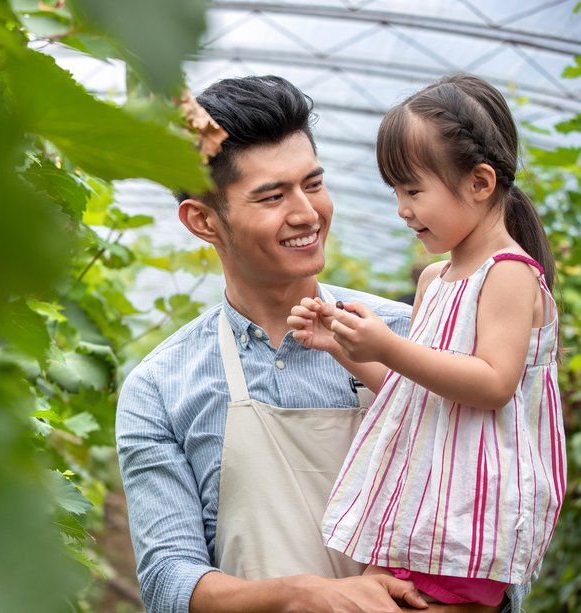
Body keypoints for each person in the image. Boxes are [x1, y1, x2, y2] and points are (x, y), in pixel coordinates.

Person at [116, 74, 528, 613]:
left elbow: (497, 504)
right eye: (272, 196)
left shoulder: (413, 336)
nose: (307, 214)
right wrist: (301, 596)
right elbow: (168, 582)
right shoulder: (159, 387)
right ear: (203, 221)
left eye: (312, 184)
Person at [288, 74, 564, 606]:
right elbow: (413, 389)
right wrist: (342, 346)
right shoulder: (435, 279)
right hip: (421, 505)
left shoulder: (508, 273)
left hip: (470, 517)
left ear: (480, 183)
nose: (402, 208)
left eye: (413, 190)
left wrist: (388, 345)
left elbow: (494, 384)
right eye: (396, 191)